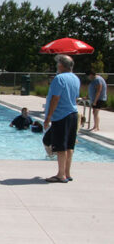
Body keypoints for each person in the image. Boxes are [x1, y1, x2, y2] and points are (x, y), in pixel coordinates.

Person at [44, 55, 80, 183]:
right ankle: (67, 173)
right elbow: (75, 98)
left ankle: (60, 175)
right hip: (73, 114)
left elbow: (55, 98)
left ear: (61, 65)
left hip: (61, 116)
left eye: (58, 63)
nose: (56, 66)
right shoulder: (75, 78)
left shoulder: (59, 79)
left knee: (60, 146)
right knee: (70, 146)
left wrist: (48, 117)